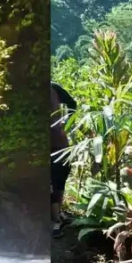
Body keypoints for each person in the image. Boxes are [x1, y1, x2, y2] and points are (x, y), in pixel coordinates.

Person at [51, 82, 76, 238]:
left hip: (59, 143)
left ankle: (57, 214)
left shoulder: (53, 88)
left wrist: (67, 123)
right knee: (50, 183)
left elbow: (72, 104)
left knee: (61, 176)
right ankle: (54, 222)